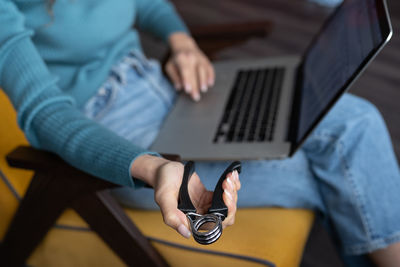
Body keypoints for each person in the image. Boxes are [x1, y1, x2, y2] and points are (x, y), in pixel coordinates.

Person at [1, 0, 399, 266]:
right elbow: (46, 114)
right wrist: (153, 168)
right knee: (347, 167)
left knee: (354, 122)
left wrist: (182, 42)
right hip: (118, 139)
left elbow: (146, 3)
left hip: (168, 88)